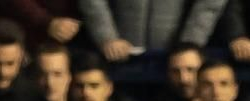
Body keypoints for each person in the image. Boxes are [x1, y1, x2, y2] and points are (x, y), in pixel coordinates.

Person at [79, 0, 227, 63]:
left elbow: (209, 4)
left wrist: (190, 44)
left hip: (177, 61)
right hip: (116, 59)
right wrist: (107, 37)